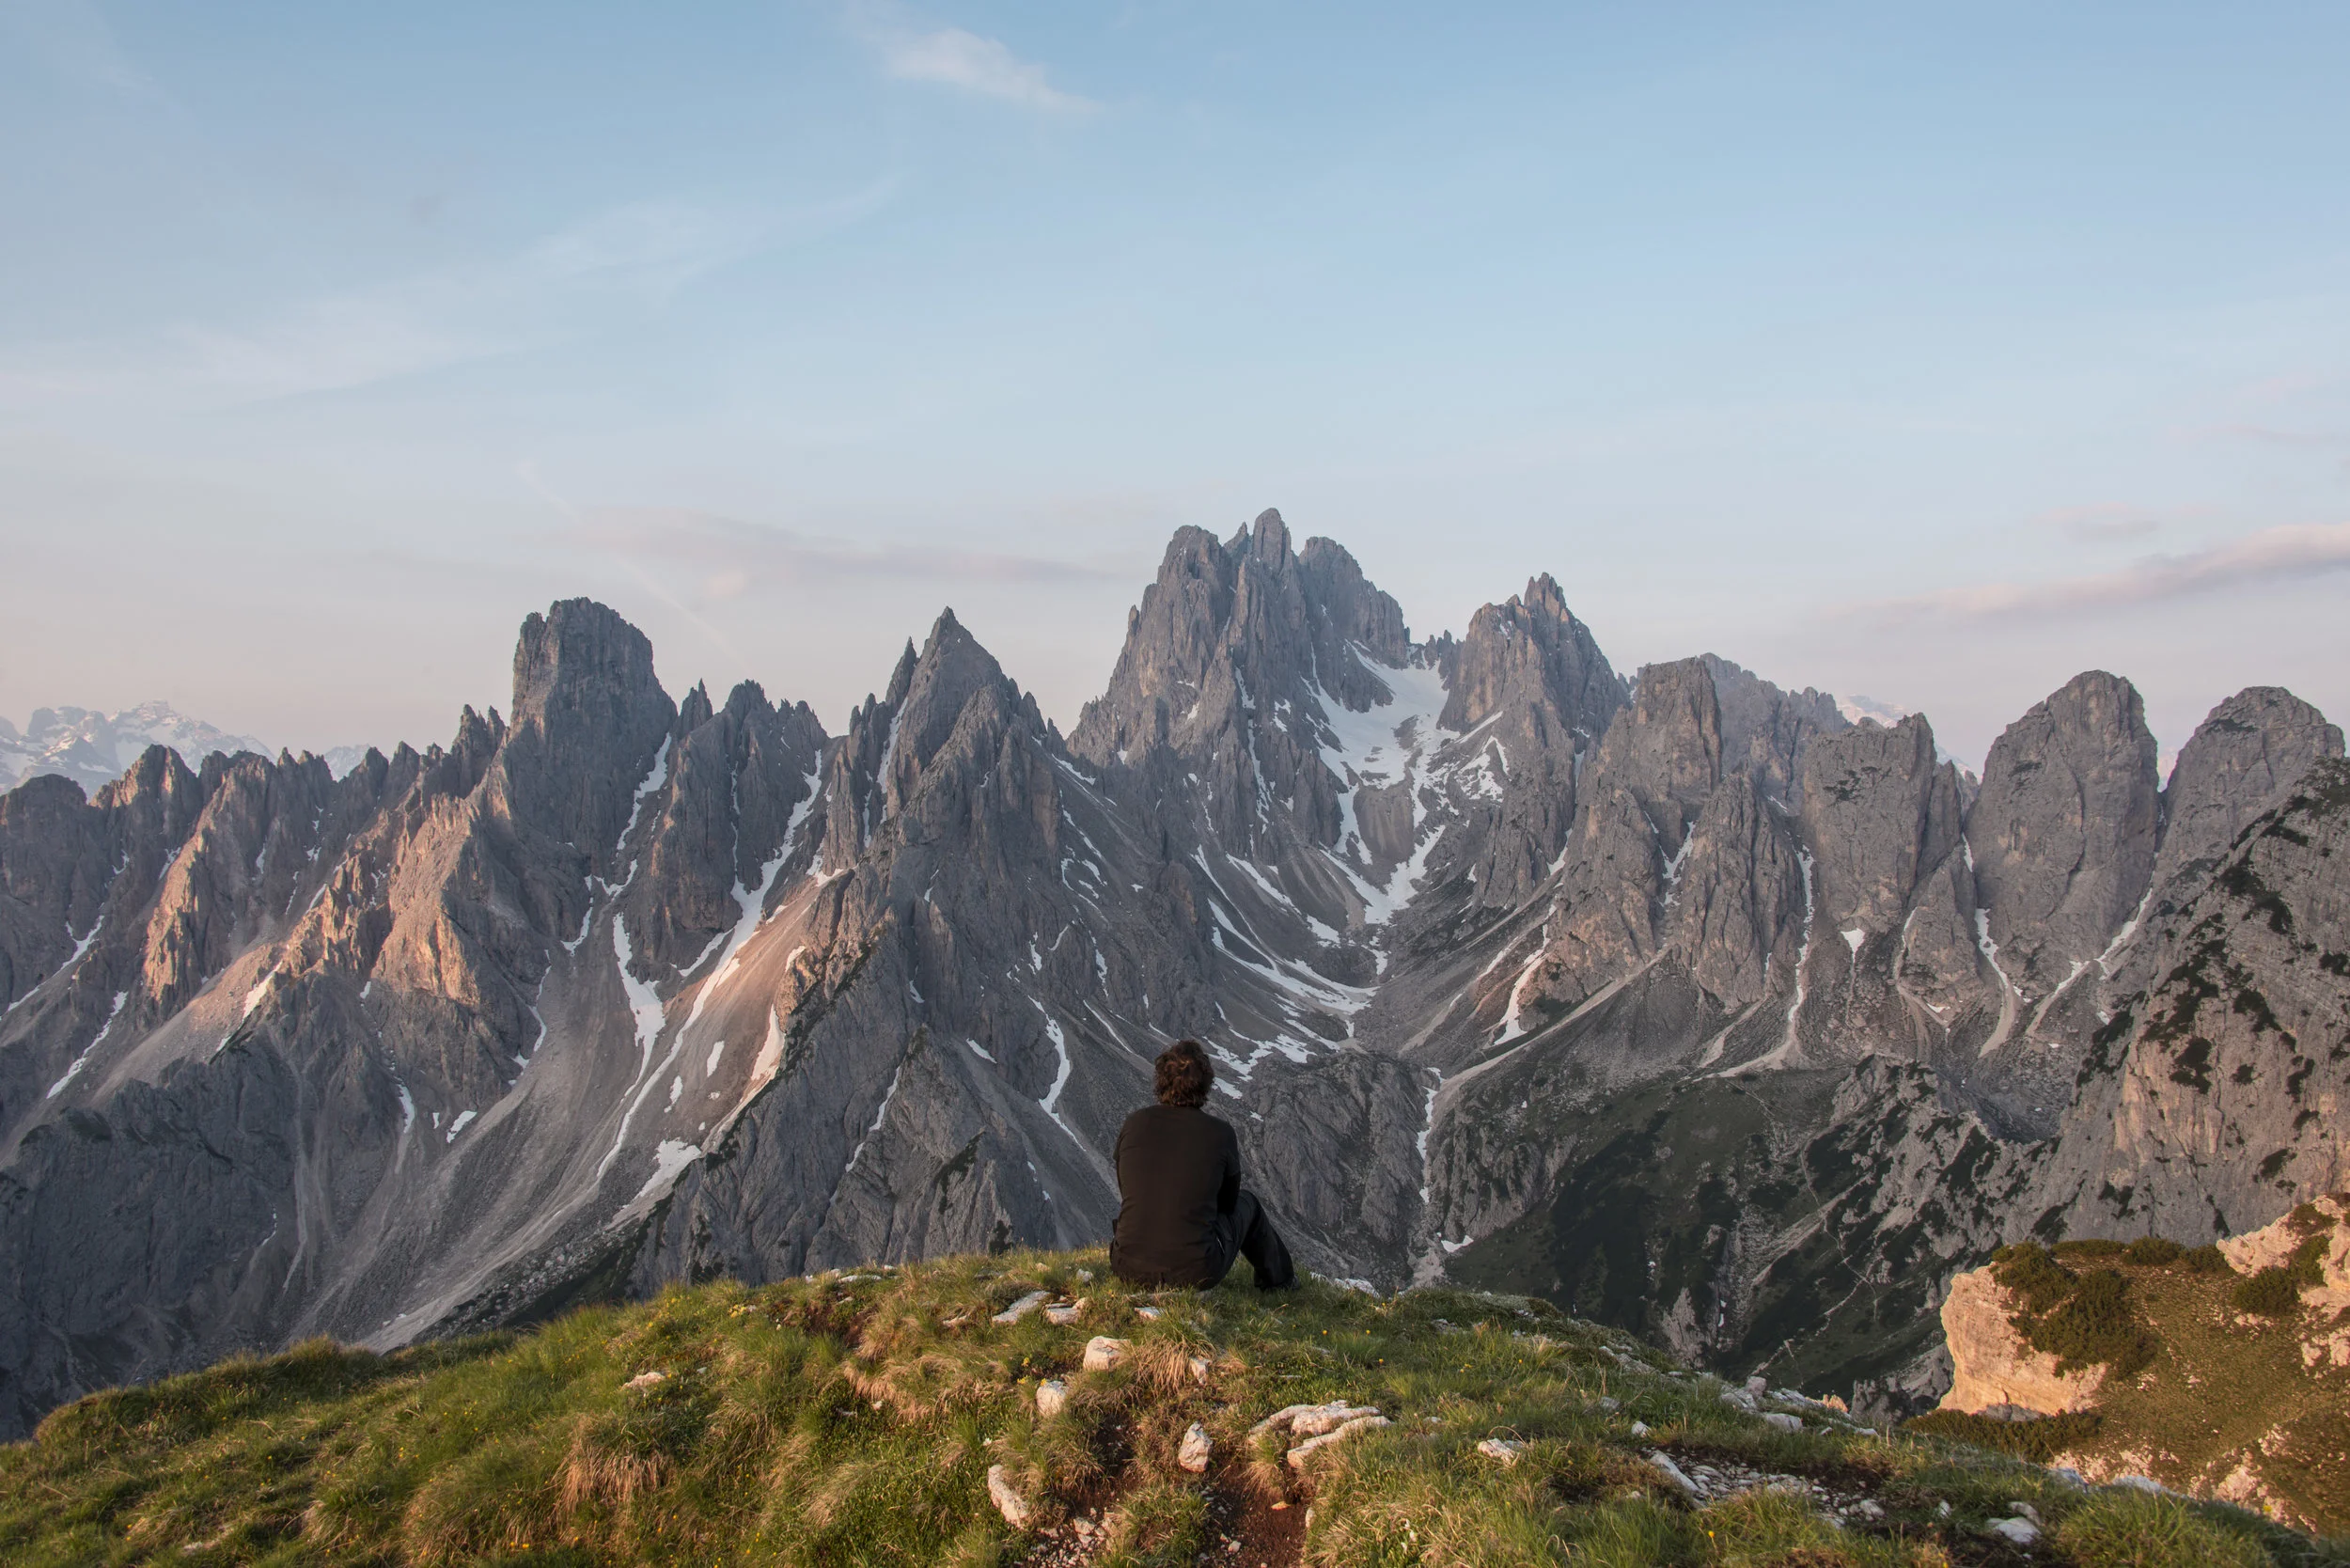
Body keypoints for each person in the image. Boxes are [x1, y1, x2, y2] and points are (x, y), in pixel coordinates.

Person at [1109, 1040, 1298, 1290]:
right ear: (1206, 1084)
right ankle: (1279, 1282)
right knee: (1248, 1204)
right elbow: (1229, 1203)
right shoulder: (1220, 1133)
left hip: (1126, 1265)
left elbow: (1127, 1187)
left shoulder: (1134, 1124)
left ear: (1161, 1080)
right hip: (1195, 1271)